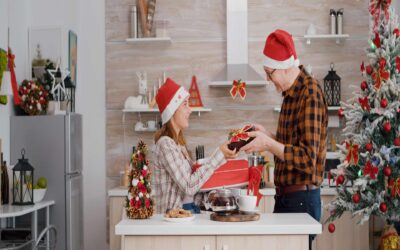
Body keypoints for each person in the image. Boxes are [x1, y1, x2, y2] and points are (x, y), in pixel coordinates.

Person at [241, 29, 328, 249]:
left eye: (269, 73)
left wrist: (268, 143)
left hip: (301, 199)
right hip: (288, 199)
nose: (269, 80)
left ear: (285, 67)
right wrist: (267, 134)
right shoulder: (290, 95)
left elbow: (307, 159)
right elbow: (291, 146)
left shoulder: (310, 93)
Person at [152, 78, 238, 214]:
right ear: (172, 110)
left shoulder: (179, 146)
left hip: (189, 213)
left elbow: (192, 193)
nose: (190, 110)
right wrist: (219, 154)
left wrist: (212, 197)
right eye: (185, 104)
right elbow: (189, 186)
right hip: (173, 219)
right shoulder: (165, 145)